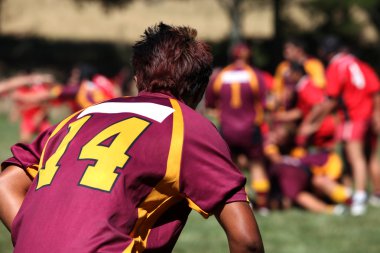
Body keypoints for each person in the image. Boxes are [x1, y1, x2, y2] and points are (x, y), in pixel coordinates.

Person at [0, 23, 264, 253]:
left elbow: (4, 186)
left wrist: (36, 238)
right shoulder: (188, 127)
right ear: (200, 89)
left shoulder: (77, 118)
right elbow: (246, 240)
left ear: (138, 78)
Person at [298, 36, 380, 216]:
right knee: (370, 155)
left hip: (353, 116)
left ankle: (358, 196)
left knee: (353, 156)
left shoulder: (336, 66)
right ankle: (374, 192)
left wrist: (312, 124)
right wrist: (376, 114)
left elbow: (330, 100)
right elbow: (375, 89)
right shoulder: (358, 63)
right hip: (366, 114)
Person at [205, 42, 270, 214]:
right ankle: (263, 205)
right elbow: (265, 103)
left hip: (227, 129)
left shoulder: (221, 75)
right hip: (250, 128)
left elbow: (210, 104)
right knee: (257, 165)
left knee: (233, 168)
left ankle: (242, 204)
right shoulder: (254, 75)